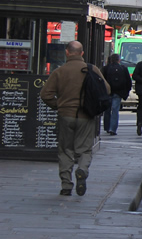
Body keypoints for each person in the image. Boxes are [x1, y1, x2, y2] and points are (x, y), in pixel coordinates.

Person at [39, 41, 110, 196]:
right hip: (86, 116)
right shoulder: (92, 69)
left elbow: (45, 95)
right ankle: (82, 170)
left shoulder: (60, 71)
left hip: (66, 115)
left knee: (65, 150)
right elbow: (107, 89)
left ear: (67, 52)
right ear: (82, 53)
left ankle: (66, 185)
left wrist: (58, 105)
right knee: (84, 149)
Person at [102, 53, 132, 136]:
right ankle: (113, 129)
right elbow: (128, 82)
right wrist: (126, 93)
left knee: (107, 110)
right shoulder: (123, 68)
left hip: (108, 92)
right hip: (118, 93)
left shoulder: (106, 68)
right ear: (119, 60)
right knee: (115, 110)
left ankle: (107, 127)